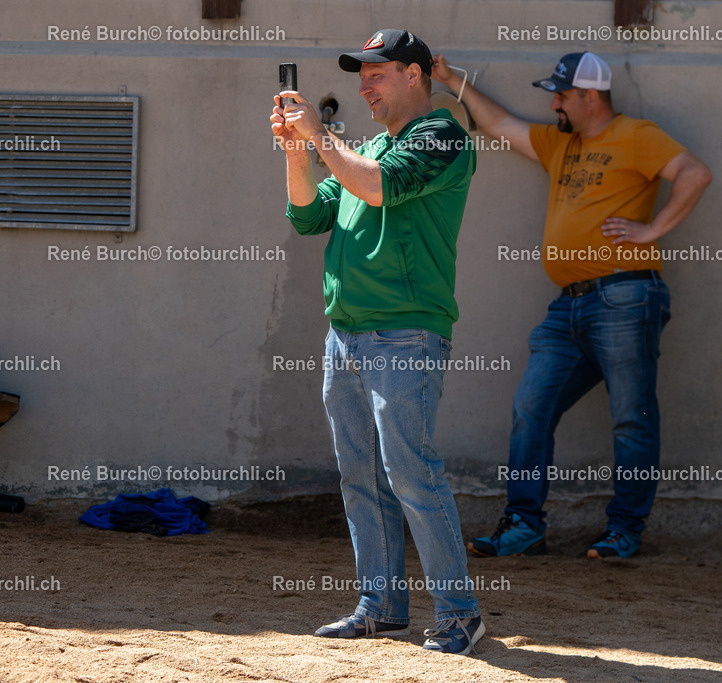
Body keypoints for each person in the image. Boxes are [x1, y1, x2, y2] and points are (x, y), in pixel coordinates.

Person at [432, 52, 711, 558]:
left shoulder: (635, 134)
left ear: (590, 96)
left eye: (561, 95)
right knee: (531, 408)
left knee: (632, 418)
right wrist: (453, 82)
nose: (553, 104)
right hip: (567, 308)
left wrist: (652, 230)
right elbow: (501, 125)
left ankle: (624, 531)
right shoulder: (560, 143)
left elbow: (694, 172)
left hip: (625, 294)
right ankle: (524, 525)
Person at [271, 29, 482, 654]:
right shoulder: (363, 147)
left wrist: (320, 136)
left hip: (406, 335)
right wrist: (294, 150)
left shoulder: (441, 134)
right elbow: (309, 215)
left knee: (411, 473)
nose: (365, 85)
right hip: (348, 335)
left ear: (414, 76)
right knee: (361, 475)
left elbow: (379, 186)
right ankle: (381, 606)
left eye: (378, 73)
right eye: (361, 75)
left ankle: (459, 612)